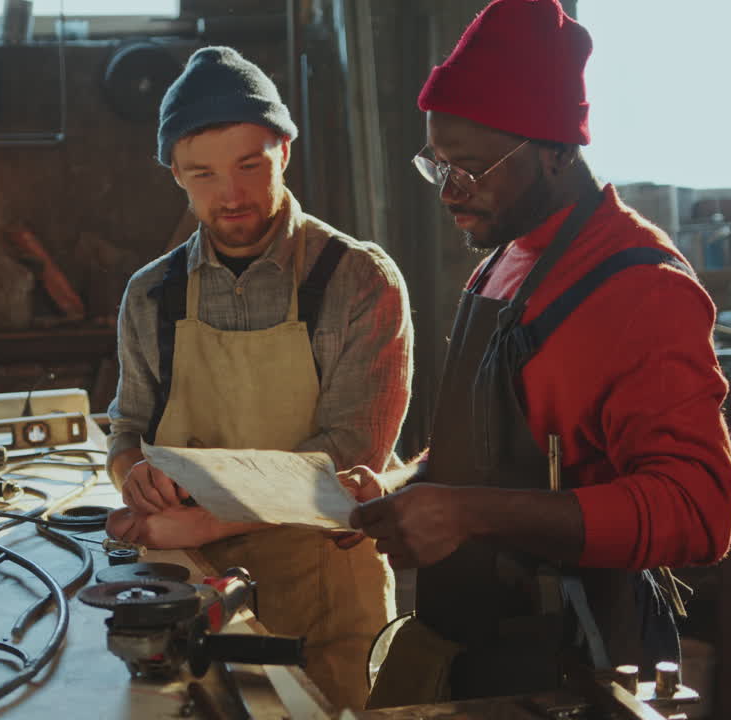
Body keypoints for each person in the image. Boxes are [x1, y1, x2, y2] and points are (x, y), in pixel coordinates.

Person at [341, 0, 731, 707]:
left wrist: (469, 513)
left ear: (556, 150)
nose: (449, 193)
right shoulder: (501, 263)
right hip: (476, 648)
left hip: (576, 667)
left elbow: (697, 509)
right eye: (438, 165)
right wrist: (402, 489)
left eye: (471, 168)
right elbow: (488, 450)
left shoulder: (640, 288)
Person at [104, 46, 414, 710]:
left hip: (326, 604)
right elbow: (126, 427)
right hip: (190, 596)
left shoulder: (360, 281)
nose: (232, 195)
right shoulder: (150, 295)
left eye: (251, 165)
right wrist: (134, 475)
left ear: (285, 151)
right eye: (203, 174)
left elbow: (348, 456)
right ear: (175, 174)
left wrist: (201, 523)